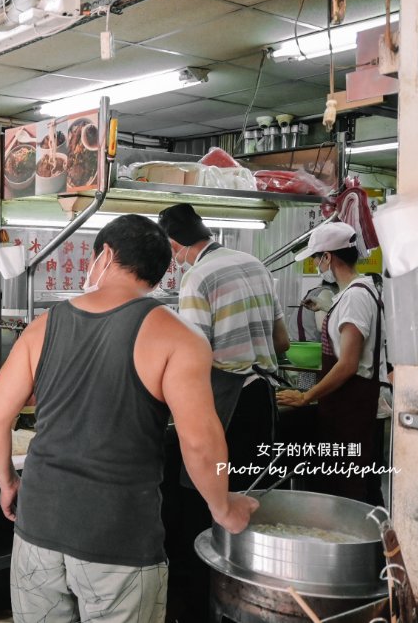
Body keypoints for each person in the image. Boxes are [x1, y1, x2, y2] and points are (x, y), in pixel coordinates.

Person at [0, 215, 258, 623]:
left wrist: (7, 483)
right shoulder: (178, 338)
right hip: (119, 540)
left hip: (38, 528)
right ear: (161, 272)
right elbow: (199, 441)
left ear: (105, 255)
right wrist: (223, 508)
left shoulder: (42, 327)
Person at [157, 203, 289, 621]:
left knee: (204, 504)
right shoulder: (254, 263)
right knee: (247, 502)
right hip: (262, 399)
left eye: (171, 253)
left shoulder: (197, 277)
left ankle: (201, 606)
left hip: (224, 404)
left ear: (176, 246)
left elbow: (194, 358)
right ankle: (248, 604)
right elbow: (282, 341)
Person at [277, 222, 387, 503]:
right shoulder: (351, 294)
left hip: (352, 410)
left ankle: (366, 547)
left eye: (316, 257)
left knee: (351, 493)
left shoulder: (356, 297)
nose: (315, 264)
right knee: (345, 490)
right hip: (343, 409)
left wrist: (306, 396)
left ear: (328, 257)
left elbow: (348, 363)